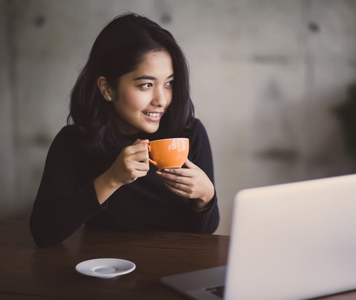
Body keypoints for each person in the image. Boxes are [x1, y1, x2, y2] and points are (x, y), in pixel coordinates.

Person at [29, 13, 219, 248]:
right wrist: (112, 178)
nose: (162, 100)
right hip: (106, 272)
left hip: (172, 273)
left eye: (169, 83)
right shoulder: (74, 143)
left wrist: (206, 198)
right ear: (107, 88)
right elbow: (43, 232)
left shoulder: (189, 134)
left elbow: (206, 232)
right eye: (146, 85)